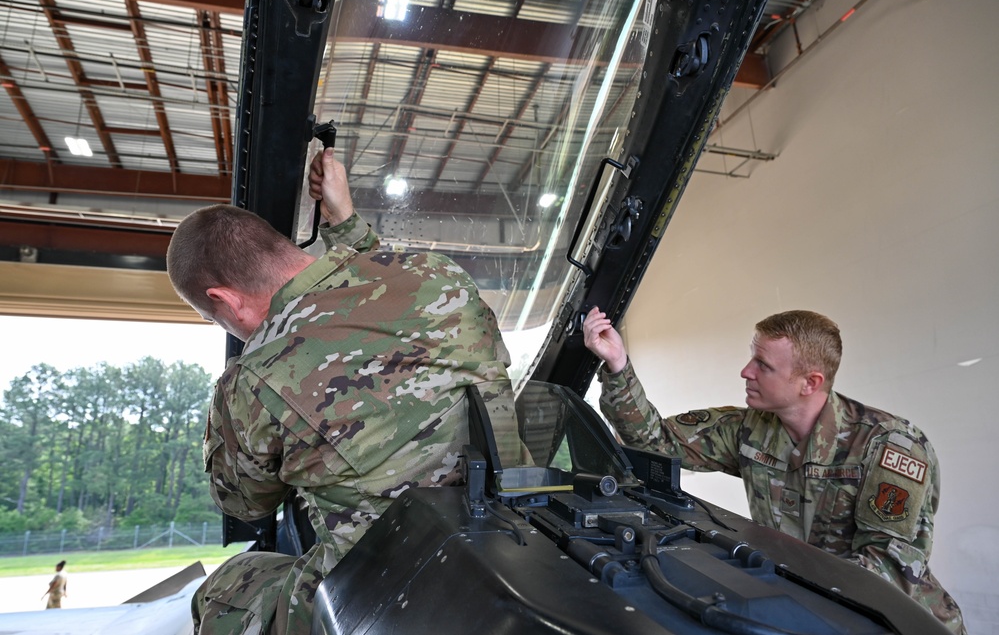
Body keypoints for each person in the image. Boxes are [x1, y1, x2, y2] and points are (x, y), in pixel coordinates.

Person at [167, 148, 524, 634]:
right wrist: (346, 222)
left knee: (226, 586)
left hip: (389, 589)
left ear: (223, 299)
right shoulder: (441, 276)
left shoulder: (252, 380)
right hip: (511, 541)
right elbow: (373, 282)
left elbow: (244, 504)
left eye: (217, 318)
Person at [583, 307, 965, 634]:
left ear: (809, 383)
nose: (746, 372)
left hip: (891, 622)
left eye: (762, 365)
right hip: (803, 612)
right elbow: (657, 444)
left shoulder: (889, 446)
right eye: (752, 358)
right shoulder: (751, 429)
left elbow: (886, 570)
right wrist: (618, 365)